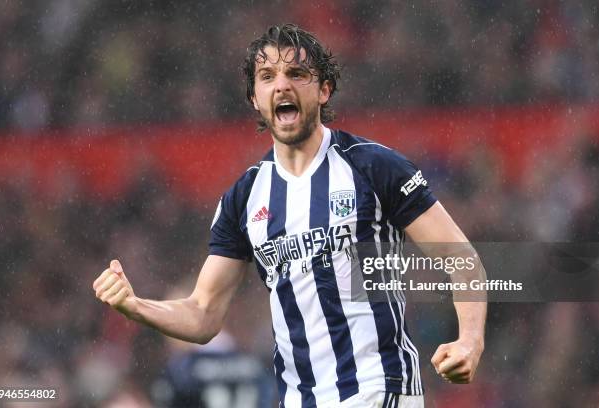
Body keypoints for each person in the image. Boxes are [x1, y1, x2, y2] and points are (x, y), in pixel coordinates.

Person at [93, 23, 486, 408]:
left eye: (296, 73)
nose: (282, 85)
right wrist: (136, 306)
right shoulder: (245, 198)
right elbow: (203, 313)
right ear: (255, 98)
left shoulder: (372, 167)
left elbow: (461, 257)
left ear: (324, 90)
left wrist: (470, 339)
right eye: (267, 76)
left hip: (379, 390)